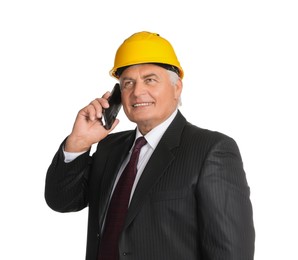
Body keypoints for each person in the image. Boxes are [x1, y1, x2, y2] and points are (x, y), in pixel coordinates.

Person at [45, 31, 255, 260]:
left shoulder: (211, 150)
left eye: (150, 80)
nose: (137, 92)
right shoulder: (109, 148)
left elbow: (230, 253)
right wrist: (79, 143)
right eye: (128, 83)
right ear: (119, 94)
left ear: (177, 87)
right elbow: (62, 201)